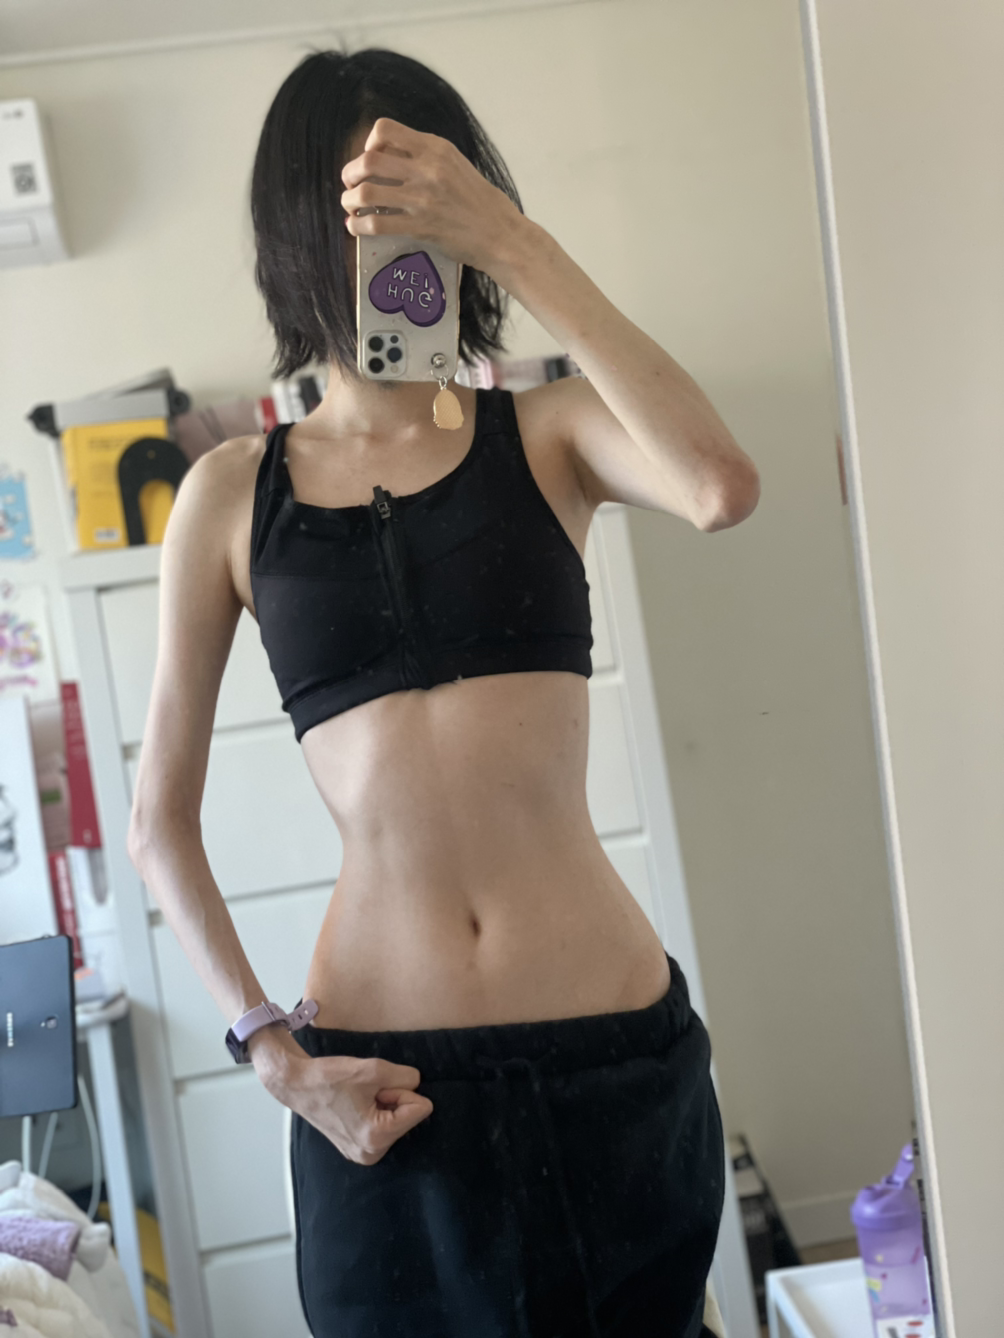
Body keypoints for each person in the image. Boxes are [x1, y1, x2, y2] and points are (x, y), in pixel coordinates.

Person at [128, 46, 759, 1338]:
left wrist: (515, 244)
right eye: (374, 200)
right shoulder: (232, 495)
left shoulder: (550, 430)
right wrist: (271, 1053)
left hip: (610, 1059)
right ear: (303, 225)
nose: (404, 231)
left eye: (435, 195)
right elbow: (159, 824)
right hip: (383, 1093)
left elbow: (718, 486)